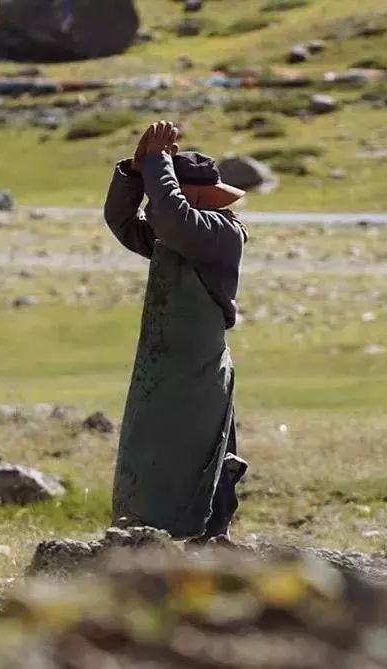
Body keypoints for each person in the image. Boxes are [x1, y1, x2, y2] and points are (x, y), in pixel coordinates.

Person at [103, 120, 249, 542]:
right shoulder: (174, 237)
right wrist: (135, 171)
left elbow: (170, 214)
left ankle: (204, 538)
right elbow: (121, 220)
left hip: (196, 371)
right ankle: (147, 536)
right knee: (154, 453)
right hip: (162, 369)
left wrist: (158, 163)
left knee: (194, 456)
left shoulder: (219, 233)